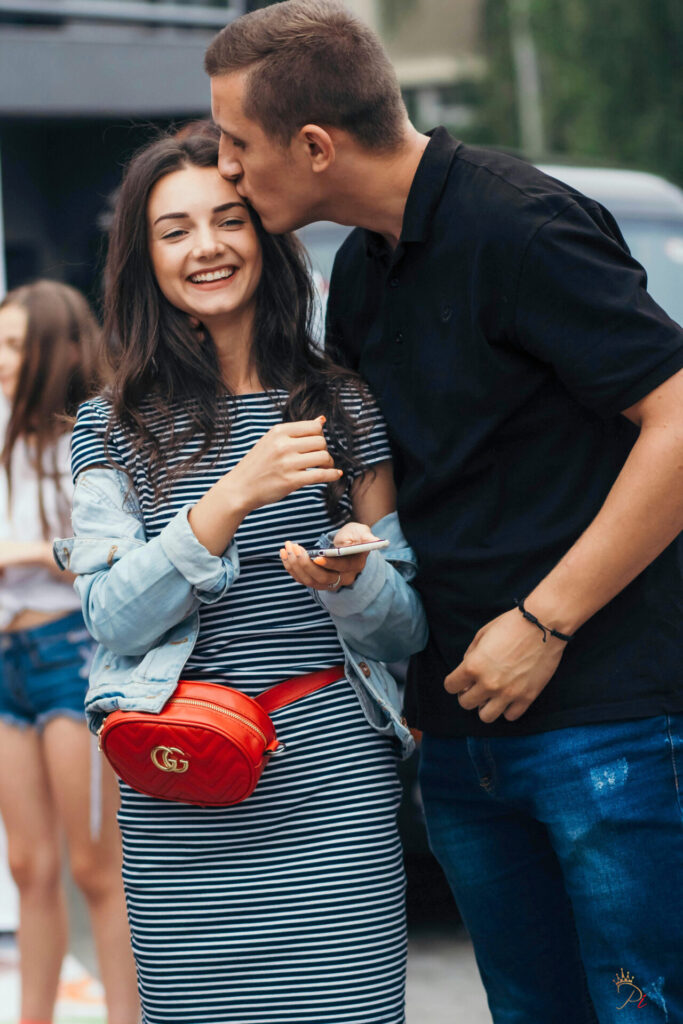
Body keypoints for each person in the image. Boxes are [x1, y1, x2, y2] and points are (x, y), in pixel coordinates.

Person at [204, 3, 683, 1022]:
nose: (228, 174)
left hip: (606, 724)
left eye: (237, 148)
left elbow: (677, 419)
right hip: (460, 731)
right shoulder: (361, 277)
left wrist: (543, 621)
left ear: (315, 145)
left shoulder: (519, 222)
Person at [55, 128, 427, 1024]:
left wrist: (354, 582)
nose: (207, 246)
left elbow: (404, 627)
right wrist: (234, 493)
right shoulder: (109, 424)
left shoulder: (343, 405)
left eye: (229, 219)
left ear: (266, 235)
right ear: (144, 258)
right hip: (181, 776)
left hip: (331, 776)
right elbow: (112, 615)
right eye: (174, 230)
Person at [0, 281, 139, 1024]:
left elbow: (108, 554)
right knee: (28, 867)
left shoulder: (91, 434)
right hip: (4, 661)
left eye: (17, 343)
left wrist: (17, 552)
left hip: (70, 653)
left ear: (58, 349)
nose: (2, 357)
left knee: (96, 870)